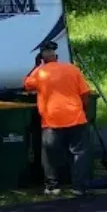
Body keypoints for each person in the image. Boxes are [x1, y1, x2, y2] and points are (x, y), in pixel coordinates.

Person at [23, 41, 94, 197]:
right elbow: (85, 93)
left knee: (50, 154)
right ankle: (79, 187)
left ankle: (52, 186)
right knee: (78, 153)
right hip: (75, 116)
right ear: (57, 55)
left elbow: (27, 85)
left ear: (41, 57)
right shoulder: (72, 69)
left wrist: (36, 66)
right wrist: (83, 109)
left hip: (52, 119)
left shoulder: (40, 73)